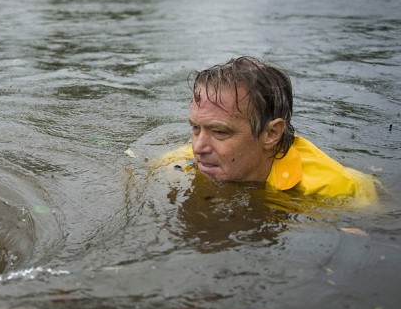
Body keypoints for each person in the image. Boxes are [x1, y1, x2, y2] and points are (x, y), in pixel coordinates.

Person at [162, 56, 378, 206]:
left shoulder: (338, 192)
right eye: (195, 128)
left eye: (219, 132)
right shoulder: (177, 164)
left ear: (272, 134)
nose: (198, 147)